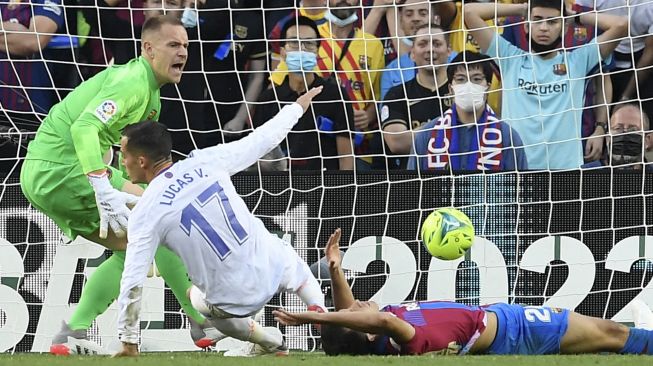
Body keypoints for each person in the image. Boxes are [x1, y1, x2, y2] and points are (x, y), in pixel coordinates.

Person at [20, 15, 220, 355]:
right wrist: (101, 186)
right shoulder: (131, 83)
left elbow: (130, 160)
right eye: (173, 45)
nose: (182, 53)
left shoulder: (151, 97)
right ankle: (201, 319)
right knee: (162, 220)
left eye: (186, 45)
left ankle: (73, 332)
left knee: (132, 245)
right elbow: (84, 129)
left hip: (42, 175)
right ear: (148, 49)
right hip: (64, 169)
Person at [114, 87, 327, 357]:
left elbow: (132, 280)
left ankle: (268, 342)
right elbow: (262, 139)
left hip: (233, 301)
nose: (122, 161)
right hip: (273, 268)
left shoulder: (146, 211)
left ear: (141, 161)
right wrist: (296, 108)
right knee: (286, 255)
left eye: (124, 155)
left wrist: (128, 340)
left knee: (196, 300)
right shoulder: (206, 160)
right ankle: (320, 312)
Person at [273, 228, 653, 356]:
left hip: (501, 317)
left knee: (610, 334)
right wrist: (312, 315)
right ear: (370, 329)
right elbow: (375, 319)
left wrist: (337, 272)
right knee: (612, 334)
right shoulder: (405, 337)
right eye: (357, 310)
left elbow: (355, 318)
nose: (358, 302)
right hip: (517, 331)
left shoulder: (378, 334)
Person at [464, 0, 628, 170]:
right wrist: (523, 9)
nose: (543, 27)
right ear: (526, 26)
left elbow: (622, 24)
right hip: (517, 168)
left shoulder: (578, 61)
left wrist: (574, 17)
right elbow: (469, 12)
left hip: (565, 171)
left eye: (552, 21)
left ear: (564, 28)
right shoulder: (509, 58)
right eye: (537, 20)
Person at [271, 0, 385, 169]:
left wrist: (368, 115)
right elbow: (277, 88)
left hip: (359, 150)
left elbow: (378, 97)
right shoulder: (310, 40)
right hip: (311, 145)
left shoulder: (374, 45)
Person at [254, 16, 354, 171]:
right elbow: (259, 158)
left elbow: (346, 158)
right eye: (294, 42)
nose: (301, 49)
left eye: (308, 43)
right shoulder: (267, 100)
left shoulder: (336, 96)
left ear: (317, 52)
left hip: (326, 188)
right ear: (283, 53)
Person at [408, 51, 527, 172]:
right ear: (450, 88)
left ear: (488, 87)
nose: (468, 86)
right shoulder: (426, 135)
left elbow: (521, 186)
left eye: (476, 79)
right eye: (461, 79)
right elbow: (413, 187)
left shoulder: (508, 137)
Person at [381, 24, 452, 169]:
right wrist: (451, 130)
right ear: (412, 53)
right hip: (412, 180)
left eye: (437, 44)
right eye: (423, 44)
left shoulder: (462, 92)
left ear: (449, 51)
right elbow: (397, 143)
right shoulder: (397, 94)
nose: (430, 49)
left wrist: (419, 134)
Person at [583, 103, 653, 170]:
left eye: (633, 130)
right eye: (618, 128)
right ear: (607, 138)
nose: (625, 133)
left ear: (647, 140)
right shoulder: (584, 174)